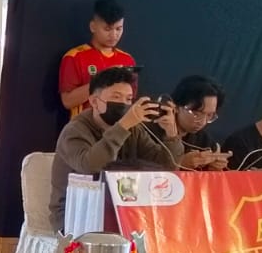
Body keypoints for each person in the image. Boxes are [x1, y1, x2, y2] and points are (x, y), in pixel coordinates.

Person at [49, 67, 182, 230]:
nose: (124, 104)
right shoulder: (75, 130)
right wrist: (123, 126)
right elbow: (92, 166)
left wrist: (171, 134)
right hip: (77, 214)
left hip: (122, 209)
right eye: (116, 97)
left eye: (128, 99)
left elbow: (166, 168)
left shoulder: (133, 129)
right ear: (94, 102)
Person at [59, 0, 136, 116]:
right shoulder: (75, 57)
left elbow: (131, 100)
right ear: (93, 27)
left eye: (118, 29)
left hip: (118, 125)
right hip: (84, 125)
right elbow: (67, 101)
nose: (114, 35)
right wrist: (103, 80)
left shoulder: (127, 60)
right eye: (107, 29)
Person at [168, 75, 230, 169]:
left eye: (209, 115)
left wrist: (213, 169)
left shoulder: (205, 143)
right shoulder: (151, 133)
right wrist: (179, 164)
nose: (202, 122)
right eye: (196, 113)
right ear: (175, 106)